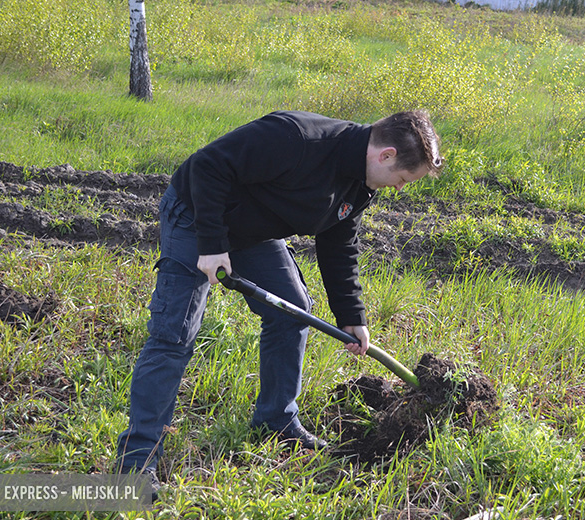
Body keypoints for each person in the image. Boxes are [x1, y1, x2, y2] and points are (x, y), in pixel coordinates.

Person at [115, 110, 443, 478]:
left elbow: (339, 244)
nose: (399, 188)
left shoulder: (361, 182)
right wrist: (210, 243)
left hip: (252, 233)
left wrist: (352, 316)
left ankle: (276, 420)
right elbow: (208, 166)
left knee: (292, 311)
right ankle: (136, 460)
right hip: (197, 216)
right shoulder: (297, 139)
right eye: (401, 179)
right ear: (386, 155)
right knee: (174, 335)